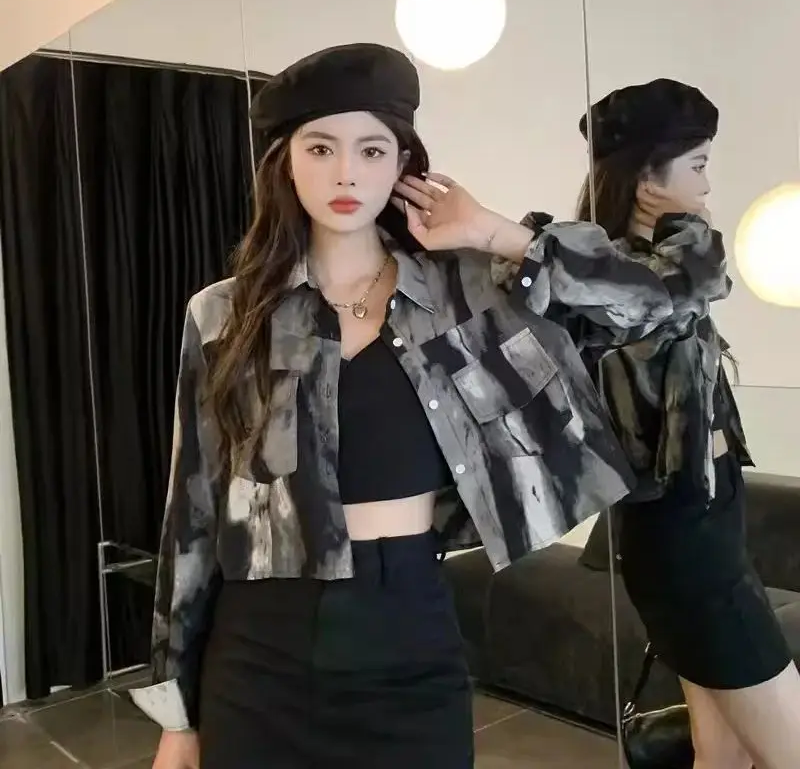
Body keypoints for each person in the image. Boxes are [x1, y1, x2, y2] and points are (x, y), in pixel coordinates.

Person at [132, 46, 710, 769]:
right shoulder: (223, 313)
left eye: (372, 150)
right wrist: (177, 717)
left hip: (408, 623)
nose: (347, 173)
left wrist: (497, 233)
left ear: (403, 164)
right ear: (285, 163)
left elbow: (660, 306)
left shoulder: (471, 290)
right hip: (259, 646)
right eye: (321, 148)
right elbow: (190, 512)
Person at [403, 78, 800, 769]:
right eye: (698, 164)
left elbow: (650, 287)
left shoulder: (656, 260)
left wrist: (507, 237)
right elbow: (634, 296)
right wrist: (488, 235)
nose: (707, 184)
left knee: (723, 755)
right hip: (677, 534)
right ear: (647, 181)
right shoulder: (589, 277)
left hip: (707, 518)